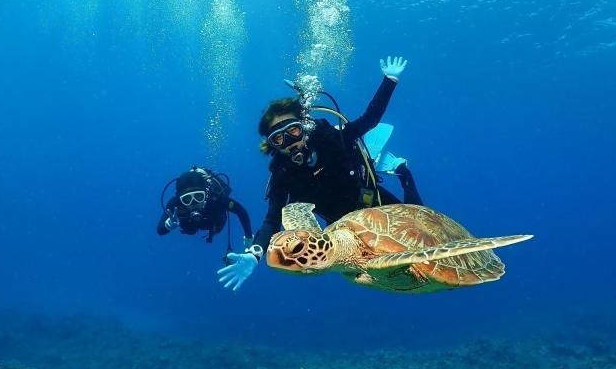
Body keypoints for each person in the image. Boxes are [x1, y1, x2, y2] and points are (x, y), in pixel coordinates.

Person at [217, 56, 422, 291]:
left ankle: (400, 169)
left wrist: (390, 80)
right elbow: (272, 219)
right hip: (341, 226)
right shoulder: (283, 174)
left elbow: (369, 120)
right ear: (273, 146)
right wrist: (255, 253)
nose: (290, 142)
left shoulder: (330, 139)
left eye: (293, 130)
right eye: (279, 139)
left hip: (367, 199)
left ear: (304, 126)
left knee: (417, 219)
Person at [157, 166, 253, 250]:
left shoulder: (215, 199)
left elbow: (241, 211)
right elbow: (160, 230)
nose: (194, 203)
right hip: (190, 224)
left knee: (216, 224)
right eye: (187, 199)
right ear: (180, 198)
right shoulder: (175, 203)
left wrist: (248, 238)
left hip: (214, 222)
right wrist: (167, 225)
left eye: (199, 196)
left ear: (206, 194)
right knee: (189, 228)